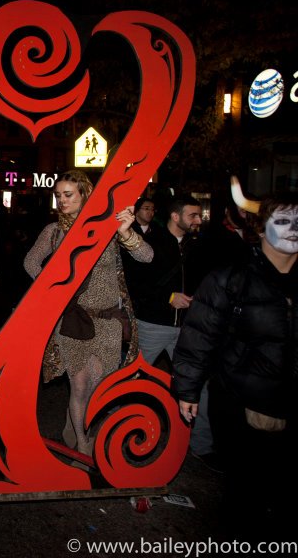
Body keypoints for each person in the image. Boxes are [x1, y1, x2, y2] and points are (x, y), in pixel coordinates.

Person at [172, 191, 298, 539]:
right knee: (246, 496)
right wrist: (188, 388)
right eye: (283, 220)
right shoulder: (231, 278)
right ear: (260, 228)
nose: (293, 229)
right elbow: (199, 335)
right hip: (243, 406)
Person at [23, 170, 152, 456]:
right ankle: (83, 446)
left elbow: (147, 256)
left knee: (98, 386)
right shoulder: (54, 232)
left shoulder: (107, 228)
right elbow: (30, 261)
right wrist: (52, 287)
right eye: (57, 195)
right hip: (72, 321)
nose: (61, 201)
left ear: (85, 195)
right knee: (79, 386)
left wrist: (127, 233)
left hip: (108, 322)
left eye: (68, 194)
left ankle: (76, 428)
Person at [128, 195, 222, 470]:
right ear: (176, 217)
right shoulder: (152, 242)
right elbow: (134, 285)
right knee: (131, 376)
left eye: (199, 215)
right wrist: (168, 298)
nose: (198, 220)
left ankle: (202, 446)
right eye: (193, 215)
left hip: (189, 328)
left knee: (198, 383)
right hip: (153, 324)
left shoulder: (200, 246)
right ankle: (118, 427)